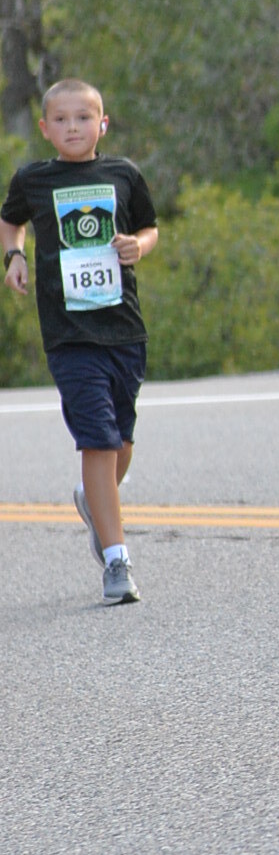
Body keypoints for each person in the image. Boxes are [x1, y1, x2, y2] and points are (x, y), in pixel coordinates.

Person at [2, 79, 159, 606]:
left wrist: (138, 245)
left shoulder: (123, 175)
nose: (73, 127)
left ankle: (94, 498)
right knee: (98, 441)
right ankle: (117, 562)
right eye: (61, 120)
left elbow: (150, 228)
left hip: (124, 328)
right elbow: (9, 221)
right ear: (45, 129)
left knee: (122, 441)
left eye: (84, 118)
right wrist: (15, 256)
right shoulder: (34, 180)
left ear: (103, 124)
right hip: (69, 335)